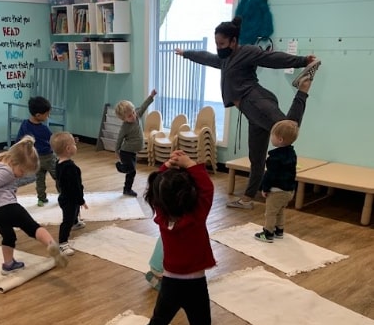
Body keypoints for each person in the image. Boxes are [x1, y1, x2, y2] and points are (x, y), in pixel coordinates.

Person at [175, 15, 321, 209]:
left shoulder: (247, 52)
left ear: (234, 41)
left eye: (222, 43)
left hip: (257, 101)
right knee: (257, 158)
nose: (219, 47)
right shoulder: (224, 59)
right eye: (217, 44)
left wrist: (301, 61)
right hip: (251, 113)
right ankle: (247, 199)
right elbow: (207, 57)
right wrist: (186, 53)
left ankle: (303, 88)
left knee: (288, 130)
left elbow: (271, 58)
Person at [127, 151, 221, 325]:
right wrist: (190, 164)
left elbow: (157, 187)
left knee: (159, 320)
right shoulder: (197, 215)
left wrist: (166, 166)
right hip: (196, 284)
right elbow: (207, 187)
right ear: (191, 196)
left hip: (170, 283)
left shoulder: (161, 215)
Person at [0, 136, 68, 275]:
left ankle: (8, 265)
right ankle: (51, 244)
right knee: (33, 227)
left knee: (9, 237)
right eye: (22, 171)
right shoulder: (6, 172)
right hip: (8, 207)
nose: (21, 176)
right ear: (14, 162)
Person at [255, 120, 298, 243]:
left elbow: (270, 175)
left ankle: (268, 233)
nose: (270, 138)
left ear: (280, 139)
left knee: (270, 212)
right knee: (280, 211)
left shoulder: (275, 157)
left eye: (272, 135)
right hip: (289, 190)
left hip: (277, 191)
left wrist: (265, 188)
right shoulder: (292, 153)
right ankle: (279, 230)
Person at [16, 96, 58, 207]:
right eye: (47, 114)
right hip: (48, 158)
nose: (48, 116)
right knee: (58, 176)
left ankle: (41, 199)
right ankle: (63, 196)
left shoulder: (24, 124)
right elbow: (53, 140)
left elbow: (19, 140)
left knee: (40, 179)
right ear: (38, 115)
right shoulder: (44, 129)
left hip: (35, 159)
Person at [114, 89, 157, 197]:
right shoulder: (125, 127)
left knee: (132, 172)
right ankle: (121, 167)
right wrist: (116, 150)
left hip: (133, 152)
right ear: (123, 119)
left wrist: (151, 96)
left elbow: (144, 106)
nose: (133, 116)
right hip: (125, 152)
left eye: (133, 112)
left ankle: (127, 189)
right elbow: (119, 138)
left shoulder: (137, 116)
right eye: (129, 116)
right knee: (131, 170)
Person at [51, 131, 87, 257]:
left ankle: (76, 222)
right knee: (67, 220)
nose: (76, 146)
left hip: (64, 196)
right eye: (74, 144)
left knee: (74, 212)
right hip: (69, 199)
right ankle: (63, 243)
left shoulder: (58, 163)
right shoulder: (71, 168)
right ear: (68, 149)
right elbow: (76, 187)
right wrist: (81, 200)